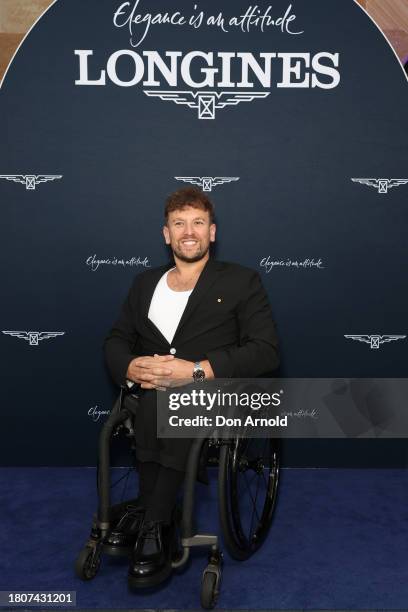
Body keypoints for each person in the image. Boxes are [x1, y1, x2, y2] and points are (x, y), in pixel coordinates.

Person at [103, 186, 279, 588]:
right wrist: (131, 365)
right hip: (147, 392)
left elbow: (266, 350)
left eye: (197, 223)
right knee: (154, 398)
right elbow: (115, 339)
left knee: (172, 400)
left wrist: (196, 371)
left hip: (211, 394)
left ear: (212, 232)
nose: (188, 231)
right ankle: (155, 514)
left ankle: (153, 522)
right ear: (166, 234)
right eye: (179, 223)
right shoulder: (144, 282)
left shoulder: (241, 281)